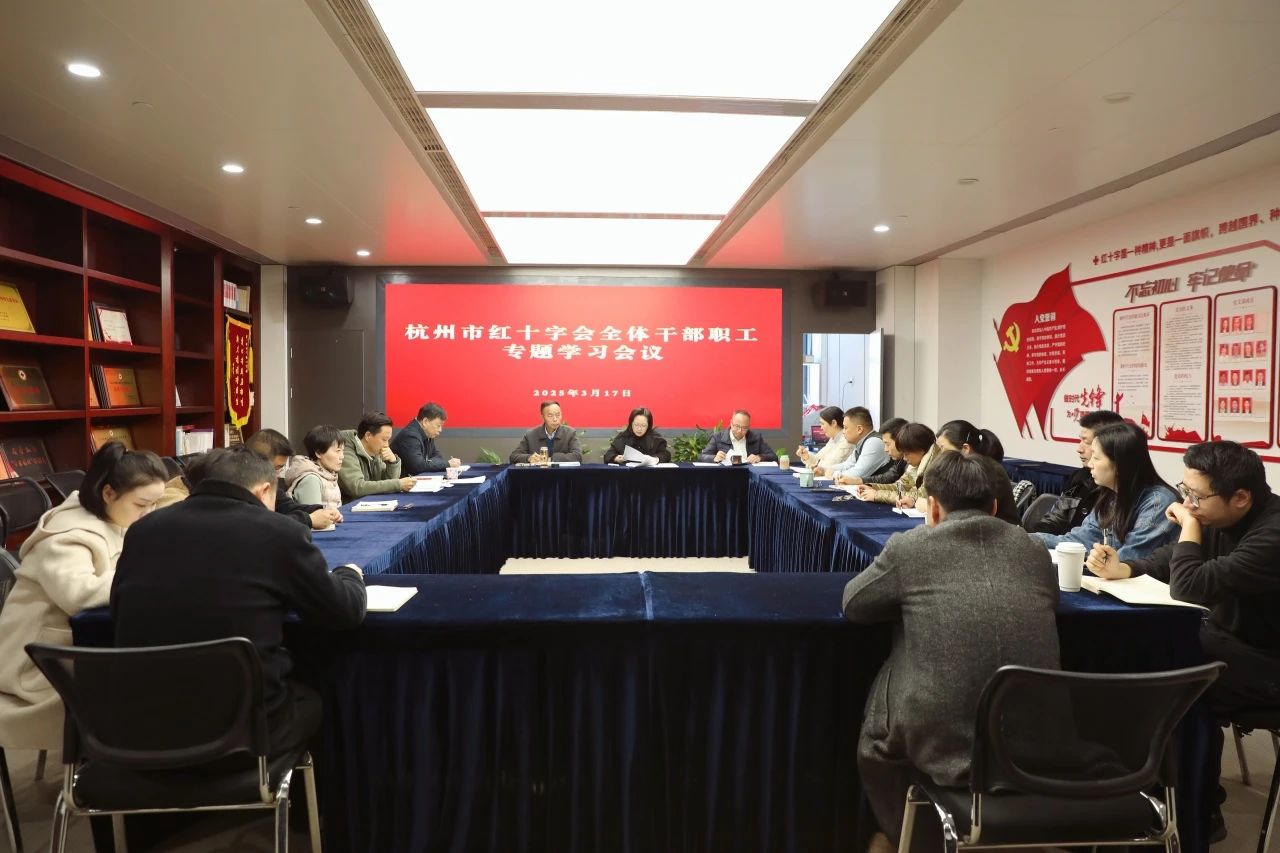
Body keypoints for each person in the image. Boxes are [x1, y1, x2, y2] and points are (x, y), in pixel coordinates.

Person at [842, 450, 1060, 844]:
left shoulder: (910, 547)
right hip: (1039, 743)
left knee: (876, 747)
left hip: (941, 746)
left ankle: (914, 840)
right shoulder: (1033, 549)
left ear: (934, 507)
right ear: (994, 507)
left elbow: (854, 604)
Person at [111, 446, 367, 755]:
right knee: (315, 696)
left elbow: (117, 607)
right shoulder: (279, 532)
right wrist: (349, 573)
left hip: (139, 727)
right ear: (264, 491)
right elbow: (345, 611)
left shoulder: (142, 531)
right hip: (244, 730)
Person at [1087, 440, 1280, 841]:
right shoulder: (1220, 515)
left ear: (1240, 497)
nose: (1187, 503)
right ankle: (1146, 797)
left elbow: (1189, 585)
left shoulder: (1272, 534)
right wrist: (1126, 568)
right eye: (1185, 491)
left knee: (1175, 681)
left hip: (1268, 663)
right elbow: (1173, 560)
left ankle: (1196, 812)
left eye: (1196, 496)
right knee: (1146, 656)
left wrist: (1190, 524)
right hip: (1226, 642)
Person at [0, 442, 168, 749]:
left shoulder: (116, 518)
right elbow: (80, 594)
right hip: (40, 663)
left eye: (155, 505)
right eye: (142, 504)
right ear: (108, 493)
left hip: (81, 646)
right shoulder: (67, 536)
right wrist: (147, 578)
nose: (149, 514)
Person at [1032, 421, 1177, 563]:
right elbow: (1081, 540)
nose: (1090, 464)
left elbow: (1129, 560)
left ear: (1119, 464)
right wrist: (1027, 539)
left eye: (1096, 457)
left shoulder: (1158, 502)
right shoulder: (1110, 495)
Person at [1032, 410, 1125, 534]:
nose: (1079, 449)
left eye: (1087, 442)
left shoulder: (1123, 492)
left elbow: (1090, 537)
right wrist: (1038, 536)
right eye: (1080, 440)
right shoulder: (1079, 479)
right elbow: (1055, 518)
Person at [246, 428, 342, 529]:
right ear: (258, 461)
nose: (278, 475)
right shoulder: (242, 486)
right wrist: (309, 519)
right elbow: (263, 523)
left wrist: (322, 511)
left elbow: (287, 506)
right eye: (277, 468)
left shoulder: (266, 482)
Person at [934, 419, 1021, 526]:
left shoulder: (990, 471)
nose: (940, 455)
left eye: (943, 448)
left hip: (1001, 532)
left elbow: (967, 512)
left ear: (965, 448)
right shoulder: (963, 469)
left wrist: (936, 507)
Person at [855, 422, 938, 506]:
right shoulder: (917, 463)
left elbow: (920, 496)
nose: (904, 458)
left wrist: (877, 495)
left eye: (906, 454)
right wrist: (872, 487)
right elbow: (900, 486)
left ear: (920, 449)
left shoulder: (937, 467)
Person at [339, 412, 416, 500]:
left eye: (388, 440)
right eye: (384, 440)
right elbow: (357, 487)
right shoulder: (344, 449)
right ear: (368, 436)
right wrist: (398, 484)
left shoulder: (374, 451)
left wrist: (392, 463)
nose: (387, 445)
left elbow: (386, 484)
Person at [281, 424, 345, 510]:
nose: (342, 456)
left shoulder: (329, 473)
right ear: (318, 453)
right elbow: (315, 515)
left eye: (342, 451)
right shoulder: (311, 479)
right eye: (337, 451)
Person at [391, 402, 460, 475]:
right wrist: (447, 464)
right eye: (438, 426)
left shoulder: (427, 433)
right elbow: (418, 467)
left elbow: (438, 457)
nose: (440, 430)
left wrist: (428, 463)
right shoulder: (410, 436)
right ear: (425, 422)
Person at [821, 407, 889, 479]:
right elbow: (847, 465)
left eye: (845, 428)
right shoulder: (861, 443)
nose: (843, 432)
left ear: (859, 429)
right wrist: (824, 470)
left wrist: (834, 474)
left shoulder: (873, 442)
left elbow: (858, 474)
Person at [839, 418, 908, 486]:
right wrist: (861, 481)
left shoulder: (911, 463)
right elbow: (889, 477)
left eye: (888, 444)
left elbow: (901, 489)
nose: (885, 449)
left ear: (900, 441)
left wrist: (876, 492)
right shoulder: (900, 460)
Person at [510, 400, 583, 464]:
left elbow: (578, 456)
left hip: (562, 474)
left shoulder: (570, 433)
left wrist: (550, 459)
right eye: (550, 415)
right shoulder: (531, 435)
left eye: (558, 415)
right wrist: (529, 458)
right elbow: (514, 456)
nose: (555, 419)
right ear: (542, 417)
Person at [698, 410, 777, 464]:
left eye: (744, 428)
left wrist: (759, 457)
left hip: (749, 477)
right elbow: (702, 457)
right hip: (726, 476)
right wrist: (714, 458)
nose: (740, 431)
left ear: (749, 426)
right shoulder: (718, 437)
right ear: (731, 423)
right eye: (737, 426)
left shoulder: (756, 437)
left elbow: (773, 456)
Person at [603, 407, 671, 465]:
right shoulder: (622, 437)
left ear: (649, 426)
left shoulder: (656, 439)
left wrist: (655, 459)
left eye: (643, 425)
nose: (639, 429)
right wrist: (616, 458)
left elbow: (666, 455)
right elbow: (608, 455)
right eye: (636, 425)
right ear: (631, 424)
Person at [796, 406, 851, 472]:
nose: (821, 428)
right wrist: (806, 456)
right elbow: (817, 459)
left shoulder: (846, 440)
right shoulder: (833, 439)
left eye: (822, 424)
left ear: (834, 423)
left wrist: (814, 465)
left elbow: (828, 465)